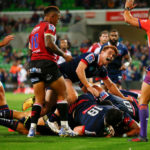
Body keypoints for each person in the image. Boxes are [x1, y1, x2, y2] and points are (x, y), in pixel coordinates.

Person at [27, 6, 73, 137]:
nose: (58, 21)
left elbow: (30, 51)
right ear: (52, 16)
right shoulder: (50, 26)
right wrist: (64, 55)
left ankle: (32, 130)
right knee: (63, 94)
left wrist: (33, 64)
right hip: (47, 63)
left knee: (39, 100)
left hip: (34, 64)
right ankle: (65, 128)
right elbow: (49, 44)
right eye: (58, 18)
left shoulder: (33, 30)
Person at [123, 0, 150, 142]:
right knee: (143, 100)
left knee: (143, 101)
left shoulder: (149, 23)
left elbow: (127, 19)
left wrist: (127, 7)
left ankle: (143, 136)